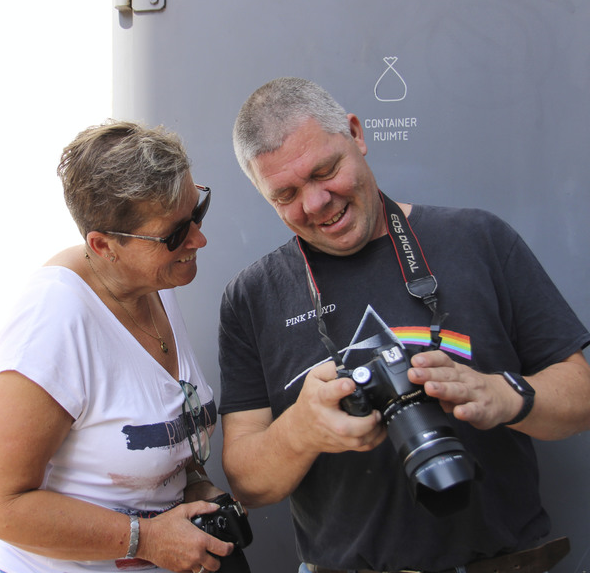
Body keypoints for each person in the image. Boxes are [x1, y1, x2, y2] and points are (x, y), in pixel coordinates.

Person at [217, 77, 590, 573]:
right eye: (284, 194)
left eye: (325, 171)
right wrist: (299, 433)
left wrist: (503, 396)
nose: (315, 203)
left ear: (356, 133)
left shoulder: (479, 239)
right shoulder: (251, 296)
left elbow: (581, 395)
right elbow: (246, 481)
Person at [0, 121, 235, 573]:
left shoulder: (153, 278)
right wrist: (148, 539)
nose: (199, 239)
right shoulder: (52, 322)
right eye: (176, 233)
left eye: (197, 211)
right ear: (104, 246)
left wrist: (195, 483)